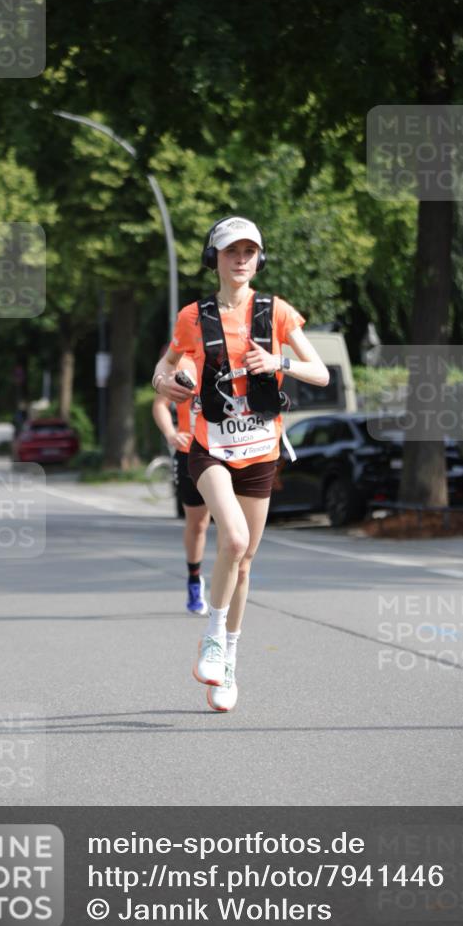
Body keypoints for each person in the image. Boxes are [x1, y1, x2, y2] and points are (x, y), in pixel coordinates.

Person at [151, 216, 329, 712]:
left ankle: (228, 662)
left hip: (261, 450)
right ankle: (211, 637)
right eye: (232, 251)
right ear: (216, 258)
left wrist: (279, 364)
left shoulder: (276, 313)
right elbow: (164, 369)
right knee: (233, 539)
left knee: (245, 561)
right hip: (209, 448)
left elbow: (320, 371)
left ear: (259, 259)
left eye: (250, 251)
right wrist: (163, 384)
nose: (242, 259)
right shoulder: (193, 316)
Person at [152, 353, 211, 615]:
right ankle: (194, 579)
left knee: (231, 526)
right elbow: (160, 405)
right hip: (190, 451)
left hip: (228, 452)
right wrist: (171, 434)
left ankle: (230, 580)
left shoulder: (235, 352)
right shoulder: (182, 363)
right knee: (198, 523)